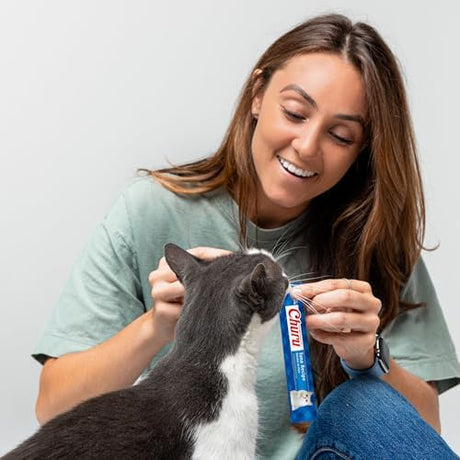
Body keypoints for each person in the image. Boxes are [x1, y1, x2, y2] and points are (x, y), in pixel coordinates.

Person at [32, 13, 459, 458]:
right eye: (295, 113)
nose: (307, 146)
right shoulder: (150, 212)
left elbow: (420, 434)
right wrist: (155, 327)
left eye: (340, 135)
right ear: (258, 95)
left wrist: (366, 356)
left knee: (365, 402)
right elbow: (53, 409)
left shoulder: (373, 239)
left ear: (362, 149)